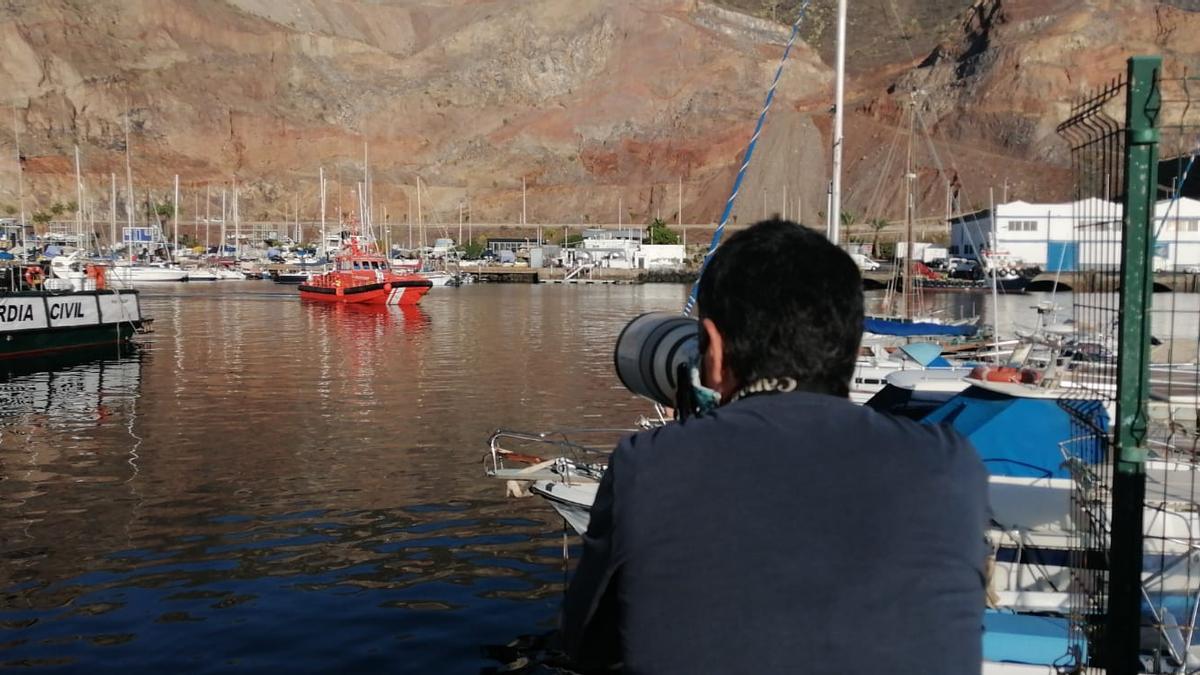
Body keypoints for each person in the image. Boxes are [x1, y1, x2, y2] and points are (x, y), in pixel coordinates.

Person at [561, 219, 988, 674]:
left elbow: (585, 646)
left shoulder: (651, 466)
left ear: (717, 351)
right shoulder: (948, 464)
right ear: (850, 341)